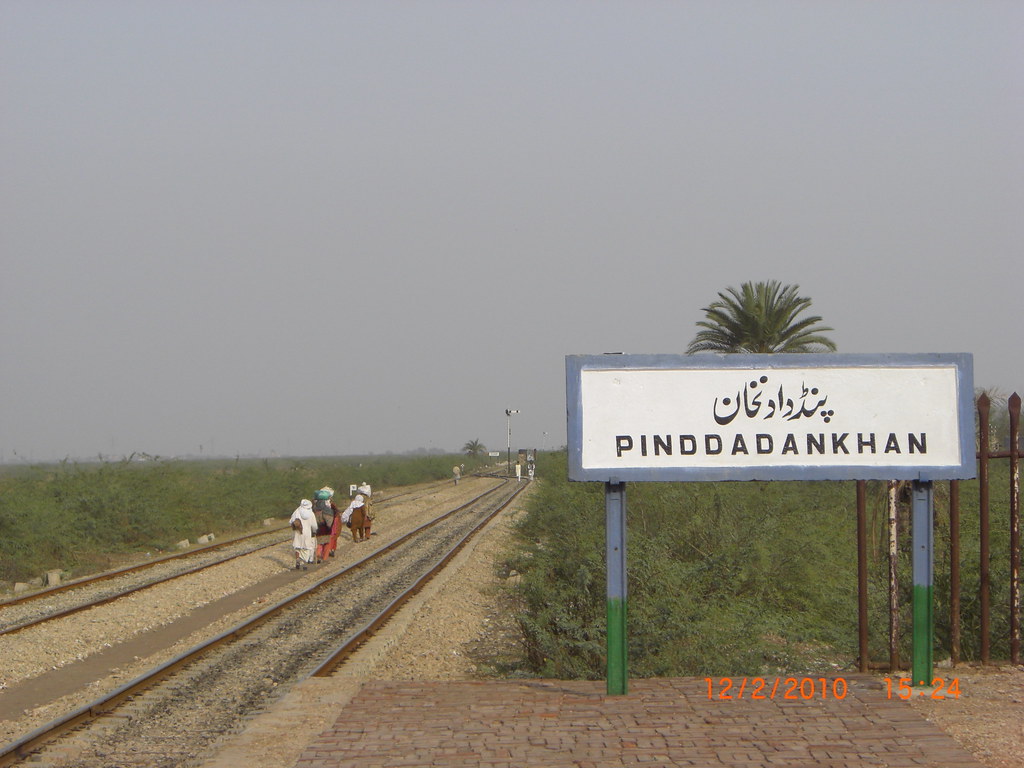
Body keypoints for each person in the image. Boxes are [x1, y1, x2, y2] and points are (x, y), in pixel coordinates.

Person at [312, 487, 340, 562]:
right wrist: (330, 527)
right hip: (326, 529)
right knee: (326, 543)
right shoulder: (327, 510)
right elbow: (329, 521)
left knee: (319, 543)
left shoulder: (313, 508)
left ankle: (317, 555)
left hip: (317, 529)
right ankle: (324, 557)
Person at [289, 499, 316, 570]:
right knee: (306, 548)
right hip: (307, 533)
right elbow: (314, 525)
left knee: (298, 547)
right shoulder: (311, 513)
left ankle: (297, 560)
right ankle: (304, 564)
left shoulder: (297, 511)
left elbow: (291, 521)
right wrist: (314, 531)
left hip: (298, 532)